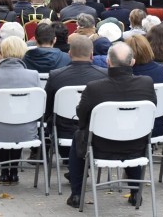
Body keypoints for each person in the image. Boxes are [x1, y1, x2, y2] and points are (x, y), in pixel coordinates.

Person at [66, 42, 157, 209]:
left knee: (78, 136)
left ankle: (77, 194)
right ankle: (136, 192)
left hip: (101, 147)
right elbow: (152, 112)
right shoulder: (146, 83)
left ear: (108, 62)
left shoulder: (94, 88)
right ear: (132, 62)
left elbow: (82, 117)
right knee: (132, 134)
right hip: (137, 146)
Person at [0, 35, 41, 184]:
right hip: (27, 129)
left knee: (3, 121)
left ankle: (4, 171)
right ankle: (13, 171)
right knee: (18, 120)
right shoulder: (33, 75)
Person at [43, 34, 107, 160]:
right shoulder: (104, 75)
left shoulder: (56, 76)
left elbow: (47, 109)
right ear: (91, 54)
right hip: (95, 131)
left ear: (69, 54)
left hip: (63, 131)